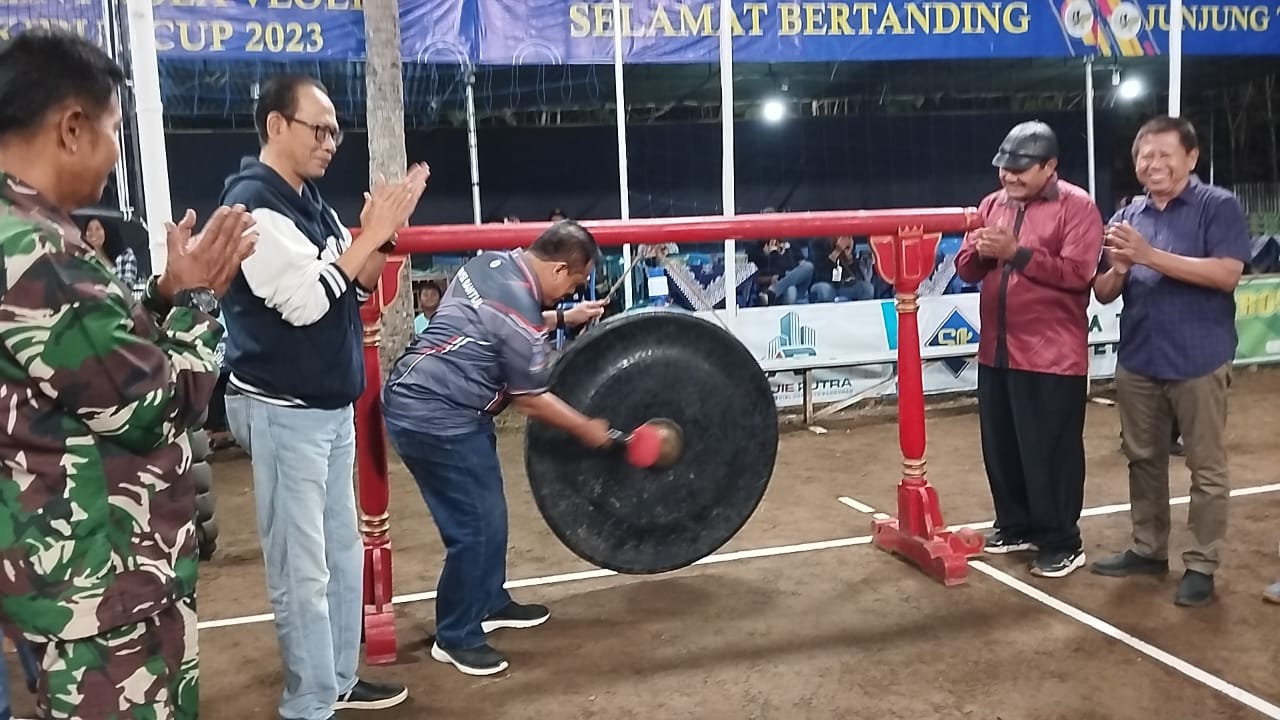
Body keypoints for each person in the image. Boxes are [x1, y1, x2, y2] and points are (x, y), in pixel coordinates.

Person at [0, 28, 256, 718]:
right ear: (73, 128)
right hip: (102, 587)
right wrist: (202, 306)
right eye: (115, 130)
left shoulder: (23, 234)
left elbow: (78, 365)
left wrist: (165, 296)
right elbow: (154, 405)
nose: (116, 154)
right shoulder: (37, 251)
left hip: (68, 574)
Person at [218, 74, 426, 719]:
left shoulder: (310, 203)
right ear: (276, 126)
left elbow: (359, 284)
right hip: (282, 408)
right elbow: (307, 302)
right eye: (320, 128)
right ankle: (309, 703)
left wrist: (380, 236)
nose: (331, 141)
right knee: (302, 571)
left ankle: (335, 680)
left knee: (339, 556)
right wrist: (367, 238)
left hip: (327, 406)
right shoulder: (254, 208)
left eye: (336, 130)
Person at [381, 220, 612, 676]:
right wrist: (586, 428)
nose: (570, 292)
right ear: (561, 267)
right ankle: (455, 635)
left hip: (448, 405)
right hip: (435, 415)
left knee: (491, 515)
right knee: (474, 529)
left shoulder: (492, 263)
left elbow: (494, 317)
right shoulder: (520, 310)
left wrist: (566, 318)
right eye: (575, 282)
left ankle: (489, 601)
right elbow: (529, 398)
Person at [1090, 116, 1251, 607]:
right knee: (1143, 459)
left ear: (1191, 158)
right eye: (1145, 155)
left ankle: (1201, 563)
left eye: (1164, 154)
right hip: (1139, 357)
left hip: (1199, 357)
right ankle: (1148, 547)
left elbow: (1227, 274)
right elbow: (1102, 292)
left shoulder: (1216, 206)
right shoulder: (1128, 215)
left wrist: (1149, 256)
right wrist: (1119, 269)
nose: (1153, 164)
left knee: (1206, 467)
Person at [954, 120, 1103, 578]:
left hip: (1052, 354)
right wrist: (981, 251)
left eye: (1021, 170)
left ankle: (1061, 540)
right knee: (1002, 446)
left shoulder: (1078, 208)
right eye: (1004, 169)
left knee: (1050, 452)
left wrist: (1015, 253)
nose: (1009, 178)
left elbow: (1079, 274)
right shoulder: (991, 204)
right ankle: (1015, 524)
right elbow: (966, 269)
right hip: (996, 349)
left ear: (1050, 167)